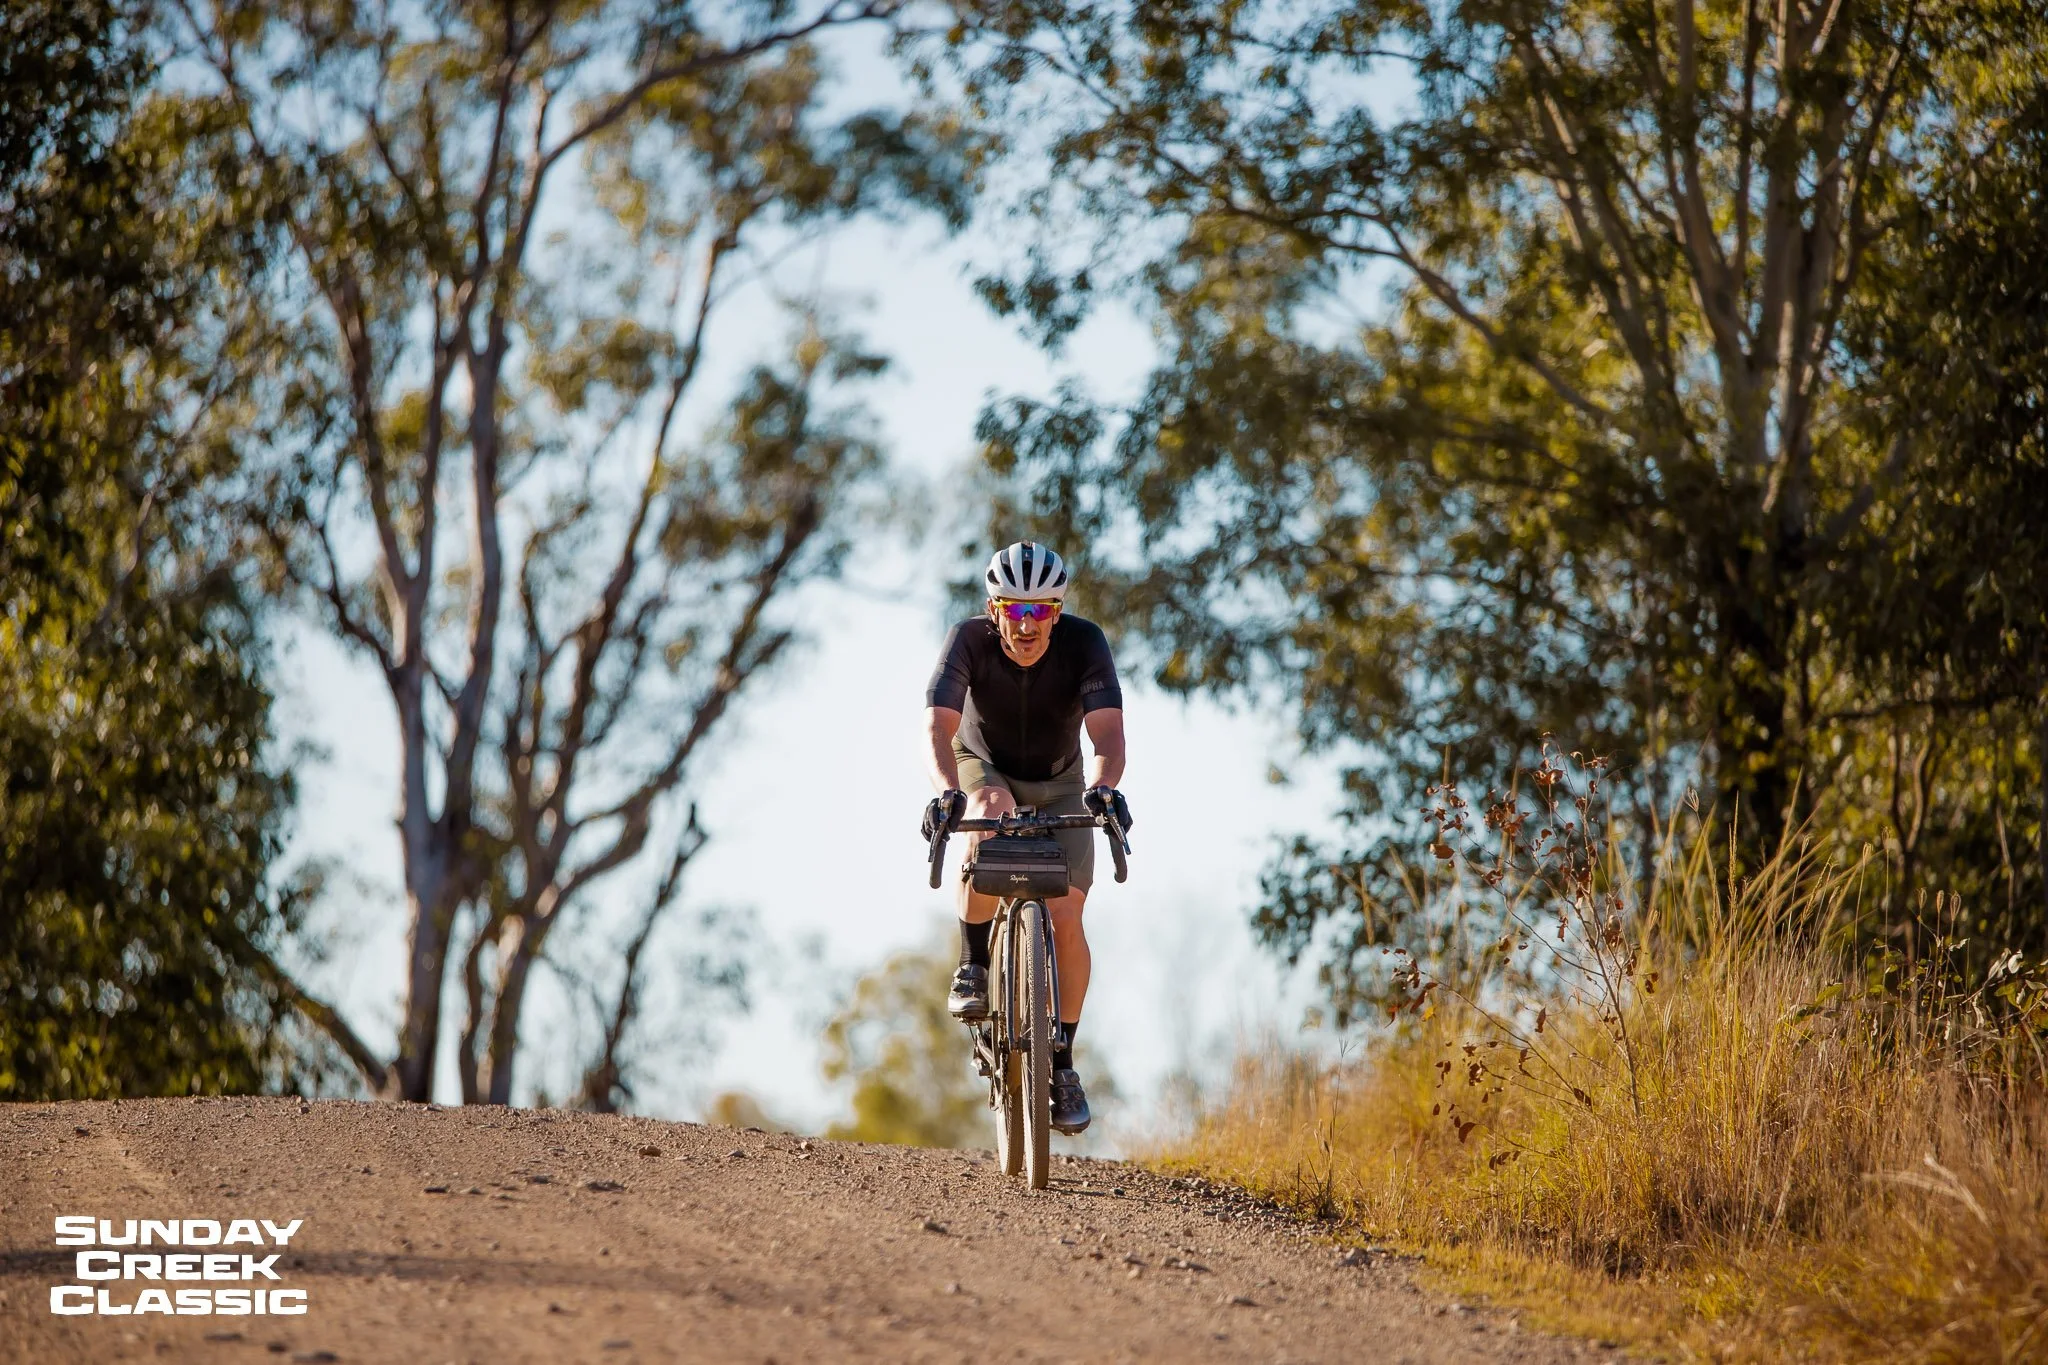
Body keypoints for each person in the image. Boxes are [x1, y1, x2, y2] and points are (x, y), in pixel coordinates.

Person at [921, 541, 1132, 1136]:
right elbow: (936, 726)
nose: (1027, 624)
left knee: (1066, 912)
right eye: (1014, 610)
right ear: (995, 611)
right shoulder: (967, 641)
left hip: (1061, 780)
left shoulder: (1085, 643)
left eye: (1041, 610)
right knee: (989, 809)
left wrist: (1103, 789)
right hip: (982, 765)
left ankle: (1061, 1061)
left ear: (1057, 613)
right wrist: (947, 792)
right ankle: (973, 961)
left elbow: (1108, 737)